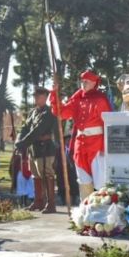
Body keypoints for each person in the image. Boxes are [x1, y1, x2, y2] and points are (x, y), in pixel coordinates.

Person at [51, 71, 112, 201]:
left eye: (86, 81)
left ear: (94, 83)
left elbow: (107, 123)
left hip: (96, 145)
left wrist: (107, 145)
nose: (83, 84)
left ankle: (102, 209)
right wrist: (55, 95)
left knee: (100, 180)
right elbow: (62, 113)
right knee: (83, 179)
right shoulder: (77, 98)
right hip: (80, 145)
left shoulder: (100, 100)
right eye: (82, 81)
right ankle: (86, 210)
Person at [14, 86, 60, 213]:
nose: (37, 98)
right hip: (33, 149)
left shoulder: (49, 112)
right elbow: (24, 127)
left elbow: (37, 131)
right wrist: (18, 140)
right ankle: (38, 201)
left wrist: (22, 143)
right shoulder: (32, 112)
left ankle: (51, 204)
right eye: (35, 96)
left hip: (45, 148)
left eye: (39, 96)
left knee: (47, 175)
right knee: (36, 176)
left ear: (46, 97)